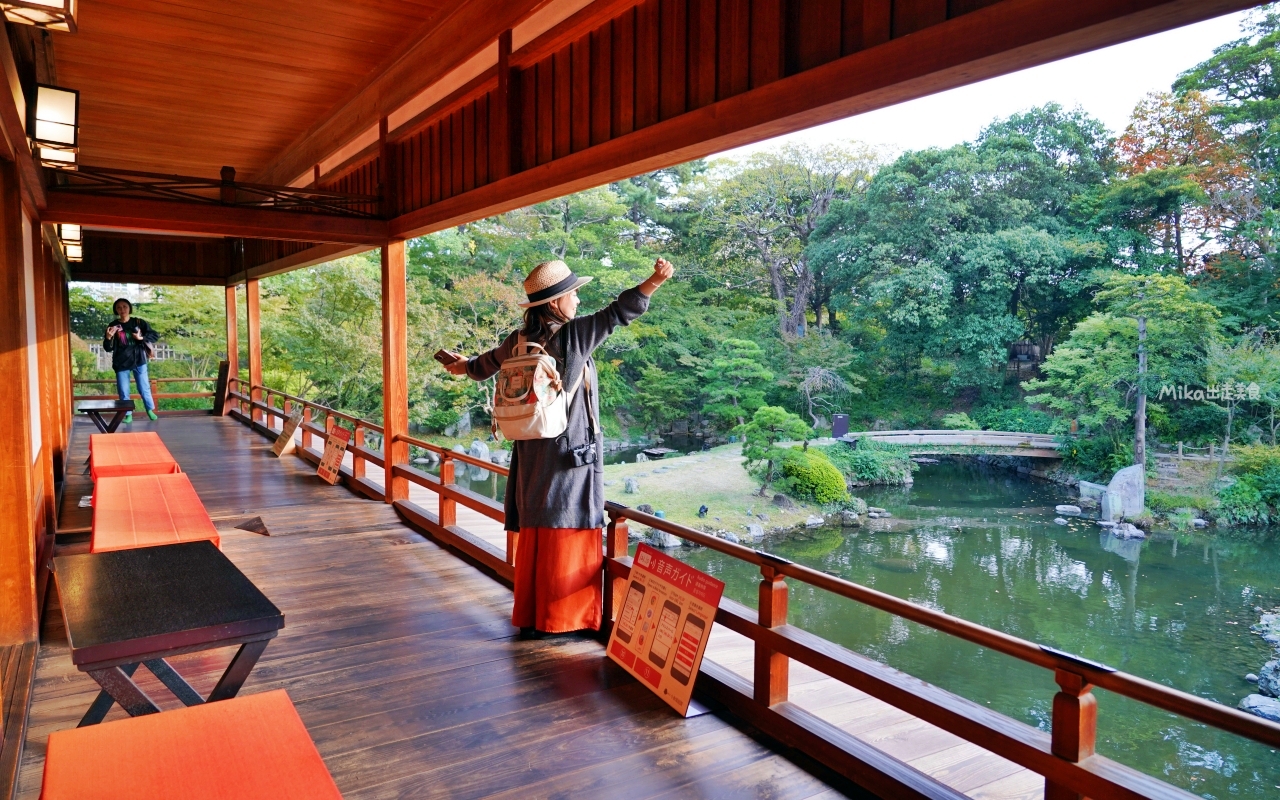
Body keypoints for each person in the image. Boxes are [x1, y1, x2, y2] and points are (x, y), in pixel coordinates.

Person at [441, 257, 674, 636]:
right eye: (574, 294)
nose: (578, 301)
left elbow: (484, 364)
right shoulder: (572, 336)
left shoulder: (517, 341)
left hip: (530, 450)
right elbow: (617, 313)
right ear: (555, 303)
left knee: (537, 528)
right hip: (568, 452)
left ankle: (533, 613)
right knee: (567, 523)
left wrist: (462, 366)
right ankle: (565, 618)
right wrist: (654, 281)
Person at [102, 298, 159, 424]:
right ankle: (127, 414)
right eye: (119, 307)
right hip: (121, 362)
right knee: (123, 389)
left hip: (139, 359)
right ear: (116, 310)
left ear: (129, 308)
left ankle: (150, 410)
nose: (122, 310)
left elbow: (155, 335)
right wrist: (108, 337)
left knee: (144, 387)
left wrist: (141, 337)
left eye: (125, 306)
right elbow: (107, 348)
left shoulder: (138, 322)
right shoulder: (112, 325)